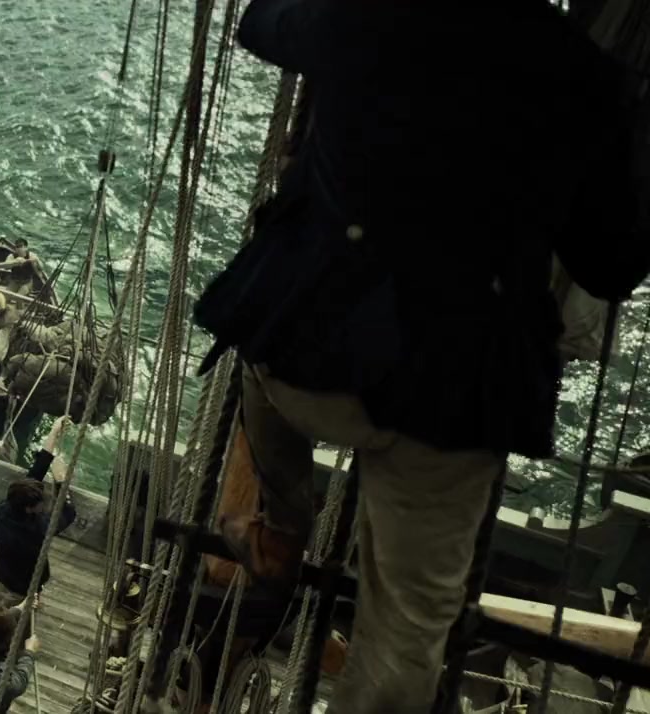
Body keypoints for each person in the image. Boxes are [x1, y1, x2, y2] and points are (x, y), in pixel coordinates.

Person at [192, 2, 649, 713]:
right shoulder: (582, 74)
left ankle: (281, 526)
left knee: (257, 370)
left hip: (303, 348)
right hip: (451, 396)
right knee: (407, 634)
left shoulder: (369, 12)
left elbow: (259, 21)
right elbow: (611, 265)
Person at [0, 415, 77, 599]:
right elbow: (68, 512)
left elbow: (35, 474)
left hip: (2, 573)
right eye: (41, 503)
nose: (44, 504)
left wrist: (54, 432)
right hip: (23, 589)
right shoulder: (39, 528)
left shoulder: (4, 508)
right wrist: (61, 480)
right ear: (29, 509)